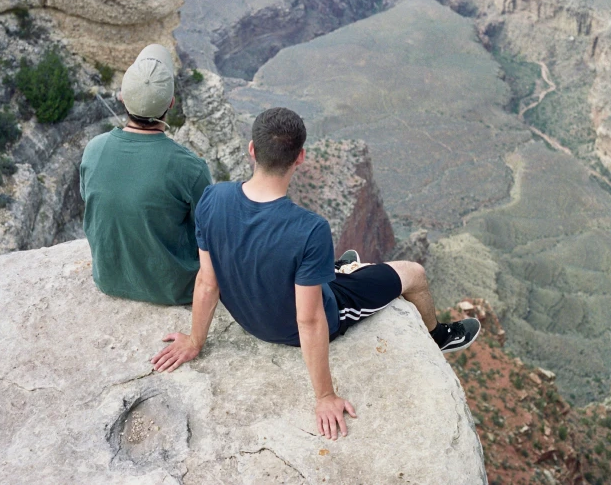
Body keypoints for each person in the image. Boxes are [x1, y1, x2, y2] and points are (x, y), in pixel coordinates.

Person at [151, 107, 480, 439]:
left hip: (248, 320)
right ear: (301, 158)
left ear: (252, 150)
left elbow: (208, 281)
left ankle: (333, 271)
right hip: (303, 324)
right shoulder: (309, 229)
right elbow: (309, 320)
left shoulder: (212, 198)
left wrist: (195, 341)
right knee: (413, 272)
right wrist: (324, 397)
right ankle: (437, 336)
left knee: (323, 269)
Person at [80, 44, 212, 305]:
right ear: (171, 104)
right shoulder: (190, 167)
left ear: (122, 97)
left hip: (108, 278)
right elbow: (208, 232)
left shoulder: (94, 149)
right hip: (174, 289)